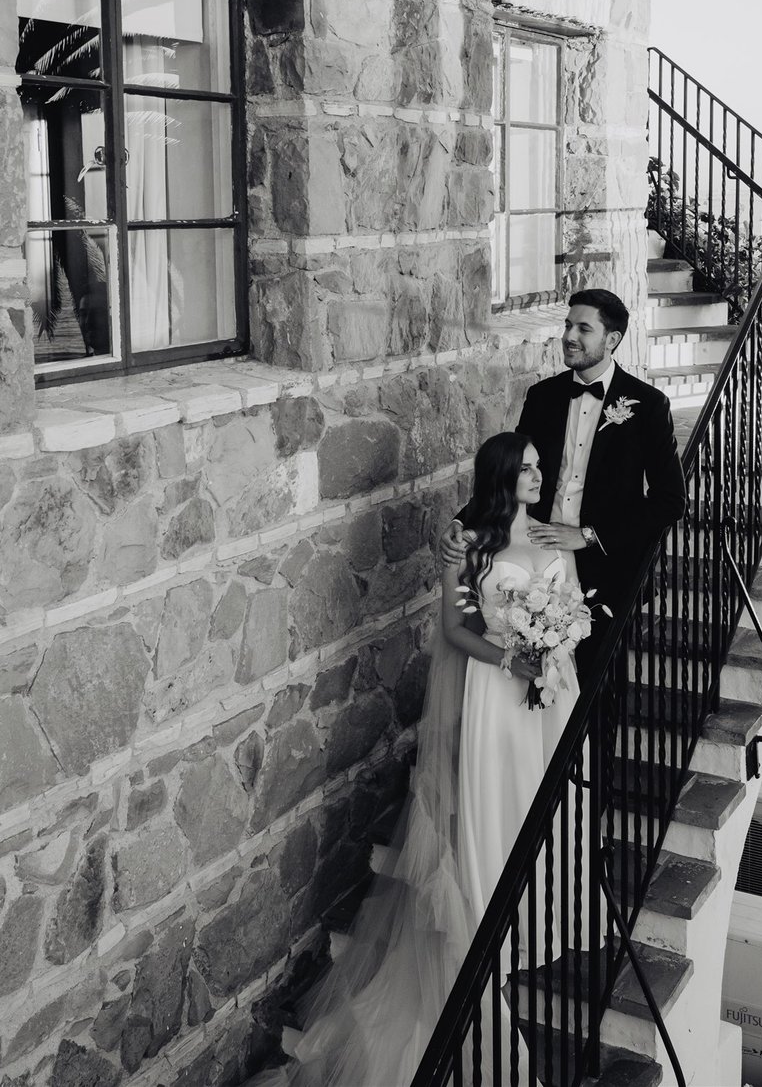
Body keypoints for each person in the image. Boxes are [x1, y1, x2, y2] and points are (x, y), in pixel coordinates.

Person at [265, 433, 591, 1087]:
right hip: (496, 694)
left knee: (547, 795)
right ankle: (490, 917)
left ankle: (546, 911)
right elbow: (455, 629)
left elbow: (577, 607)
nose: (537, 473)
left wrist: (561, 639)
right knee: (496, 799)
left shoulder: (554, 539)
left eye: (538, 465)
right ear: (501, 476)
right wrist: (512, 656)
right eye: (525, 467)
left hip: (551, 691)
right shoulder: (466, 547)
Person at [443, 288, 687, 680]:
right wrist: (460, 522)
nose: (570, 336)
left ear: (612, 340)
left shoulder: (648, 406)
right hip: (537, 563)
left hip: (605, 569)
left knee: (594, 690)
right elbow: (510, 472)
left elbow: (670, 501)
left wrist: (588, 536)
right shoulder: (543, 396)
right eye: (568, 325)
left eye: (583, 329)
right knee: (530, 678)